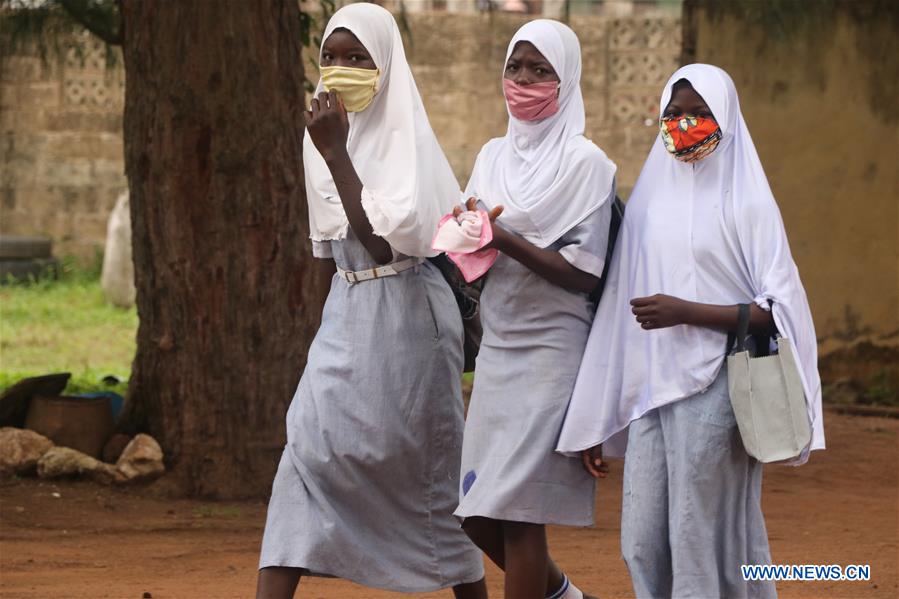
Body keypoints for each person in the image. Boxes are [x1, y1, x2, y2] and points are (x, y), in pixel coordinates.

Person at [557, 63, 825, 599]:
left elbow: (779, 308)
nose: (684, 124)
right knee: (643, 540)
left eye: (699, 114)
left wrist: (689, 311)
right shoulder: (649, 204)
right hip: (652, 392)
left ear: (724, 118)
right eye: (674, 113)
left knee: (697, 535)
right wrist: (597, 415)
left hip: (719, 388)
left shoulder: (746, 201)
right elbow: (616, 314)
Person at [256, 4, 486, 598]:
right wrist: (320, 333)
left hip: (410, 310)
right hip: (347, 312)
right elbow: (328, 252)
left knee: (432, 469)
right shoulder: (323, 137)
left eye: (357, 58)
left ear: (385, 66)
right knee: (306, 452)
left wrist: (338, 153)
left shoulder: (401, 141)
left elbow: (384, 246)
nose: (340, 70)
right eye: (330, 56)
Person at [453, 19, 617, 599]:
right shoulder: (492, 154)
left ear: (565, 80)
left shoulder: (586, 163)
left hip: (552, 350)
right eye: (514, 67)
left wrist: (505, 240)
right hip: (498, 349)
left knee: (519, 513)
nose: (523, 80)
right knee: (475, 514)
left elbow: (582, 273)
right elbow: (472, 244)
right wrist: (463, 234)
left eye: (540, 70)